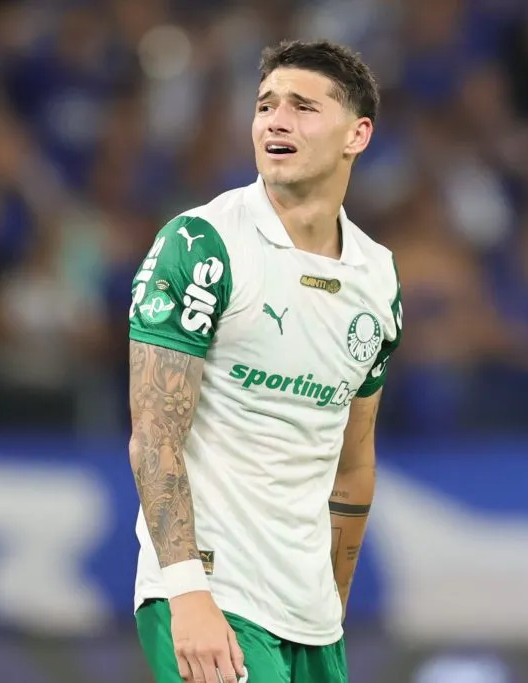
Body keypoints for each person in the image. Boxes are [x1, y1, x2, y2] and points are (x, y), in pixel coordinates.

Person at [127, 39, 402, 683]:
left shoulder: (378, 278)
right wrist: (186, 591)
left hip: (311, 616)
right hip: (211, 598)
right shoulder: (202, 246)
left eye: (303, 107)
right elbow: (154, 433)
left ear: (355, 135)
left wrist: (331, 602)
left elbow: (353, 461)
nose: (275, 121)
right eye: (265, 105)